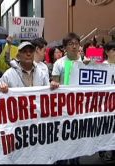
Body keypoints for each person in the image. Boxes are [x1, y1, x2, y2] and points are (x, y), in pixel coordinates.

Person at [50, 32, 82, 164]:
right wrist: (54, 83)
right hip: (62, 106)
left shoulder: (84, 62)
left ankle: (75, 160)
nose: (74, 46)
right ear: (64, 47)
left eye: (76, 43)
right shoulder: (59, 63)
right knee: (62, 137)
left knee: (76, 138)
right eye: (70, 44)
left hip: (79, 106)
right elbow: (55, 82)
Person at [98, 40, 115, 162]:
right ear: (106, 52)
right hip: (104, 104)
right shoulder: (101, 66)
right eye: (113, 50)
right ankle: (102, 150)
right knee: (104, 128)